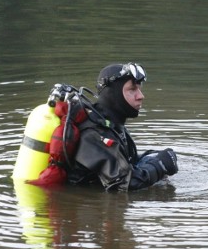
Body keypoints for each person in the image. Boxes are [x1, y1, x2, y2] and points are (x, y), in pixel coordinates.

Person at [67, 62, 179, 192]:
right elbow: (126, 184)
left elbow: (129, 161)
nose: (141, 96)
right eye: (132, 90)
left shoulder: (112, 126)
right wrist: (160, 166)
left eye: (139, 89)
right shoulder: (93, 134)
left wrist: (157, 157)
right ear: (113, 94)